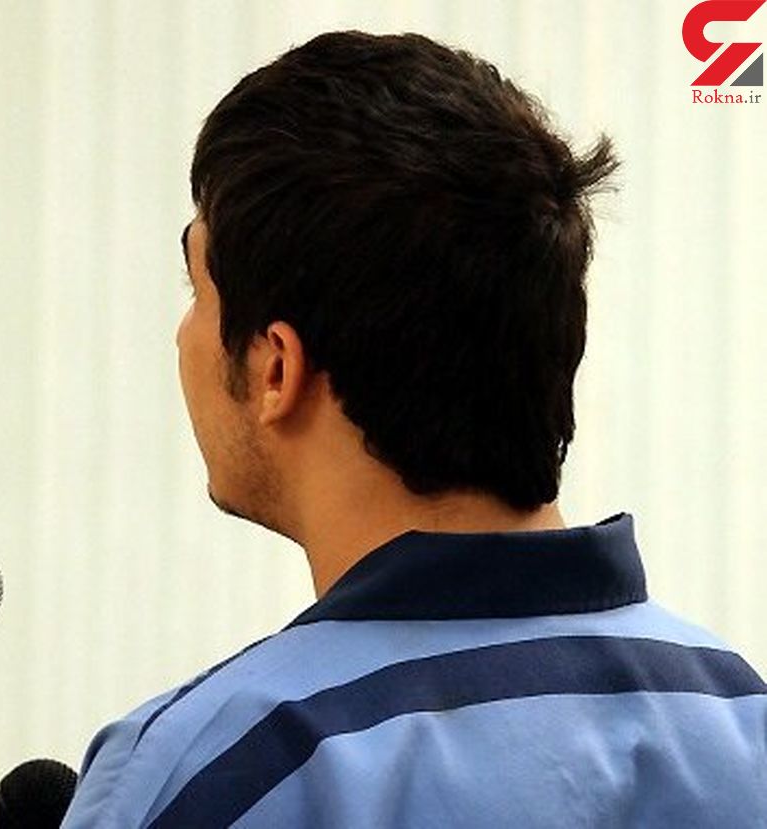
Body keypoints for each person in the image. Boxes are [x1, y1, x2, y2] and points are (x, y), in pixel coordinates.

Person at [61, 31, 767, 828]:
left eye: (196, 287)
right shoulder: (745, 725)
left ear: (276, 368)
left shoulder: (217, 773)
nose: (182, 334)